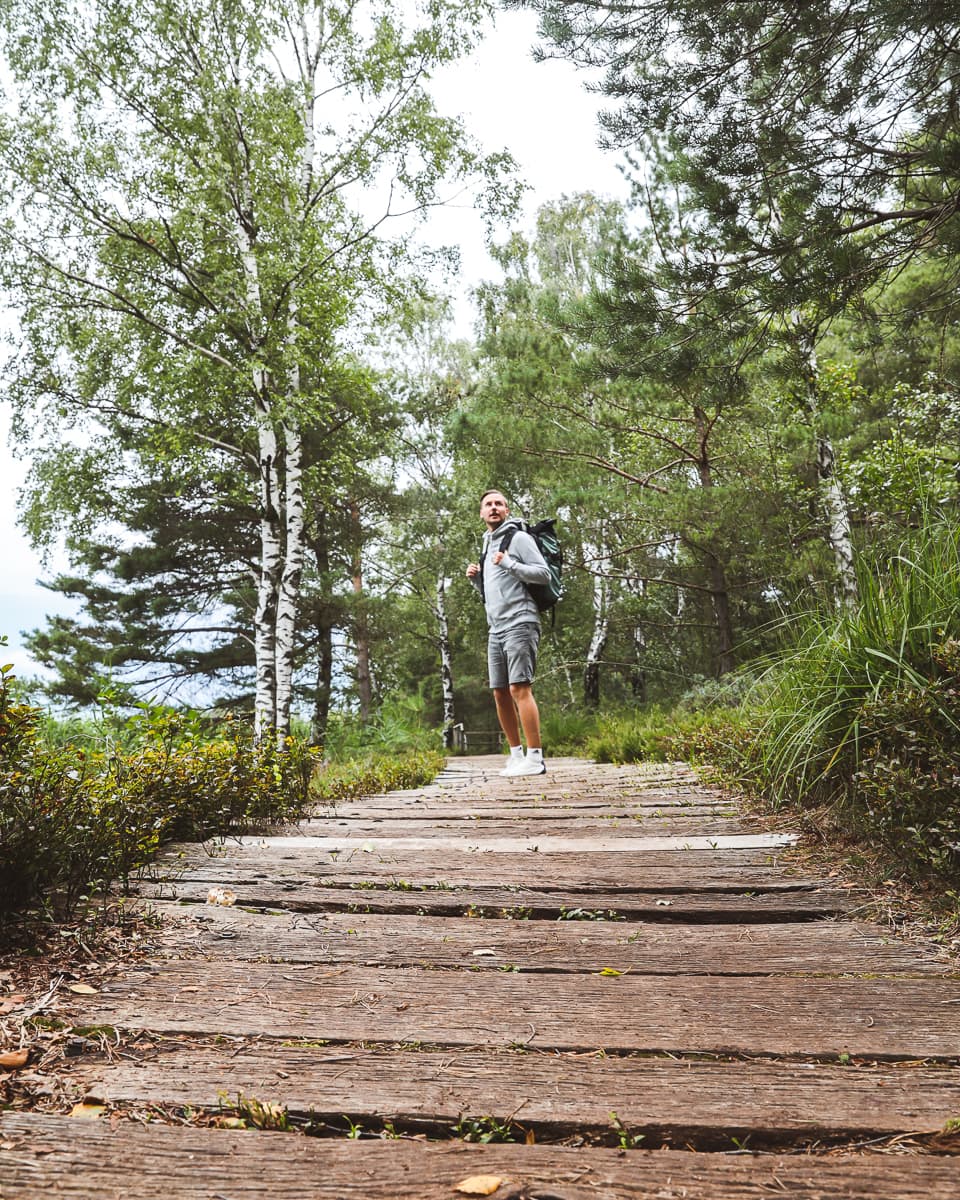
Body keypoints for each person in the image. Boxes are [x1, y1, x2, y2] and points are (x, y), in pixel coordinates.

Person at [466, 489, 550, 777]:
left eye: (499, 504)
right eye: (488, 504)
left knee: (519, 688)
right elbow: (493, 592)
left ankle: (535, 758)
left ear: (507, 510)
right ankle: (516, 757)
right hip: (496, 627)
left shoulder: (519, 538)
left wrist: (509, 563)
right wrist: (476, 581)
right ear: (481, 513)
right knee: (499, 692)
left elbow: (543, 574)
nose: (493, 508)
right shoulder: (487, 543)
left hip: (521, 621)